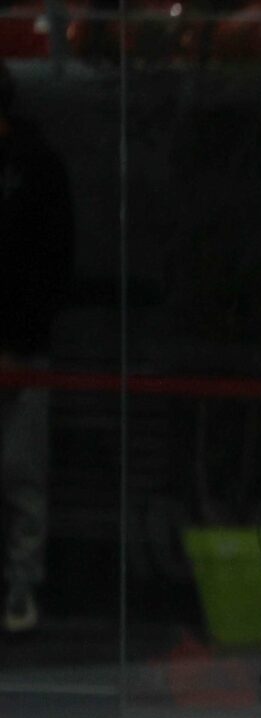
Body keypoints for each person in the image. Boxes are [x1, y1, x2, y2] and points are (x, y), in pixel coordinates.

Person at [0, 60, 74, 634]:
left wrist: (18, 345)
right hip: (22, 344)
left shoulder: (35, 166)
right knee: (22, 475)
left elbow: (48, 267)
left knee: (22, 473)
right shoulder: (37, 163)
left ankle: (21, 588)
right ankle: (19, 588)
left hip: (22, 349)